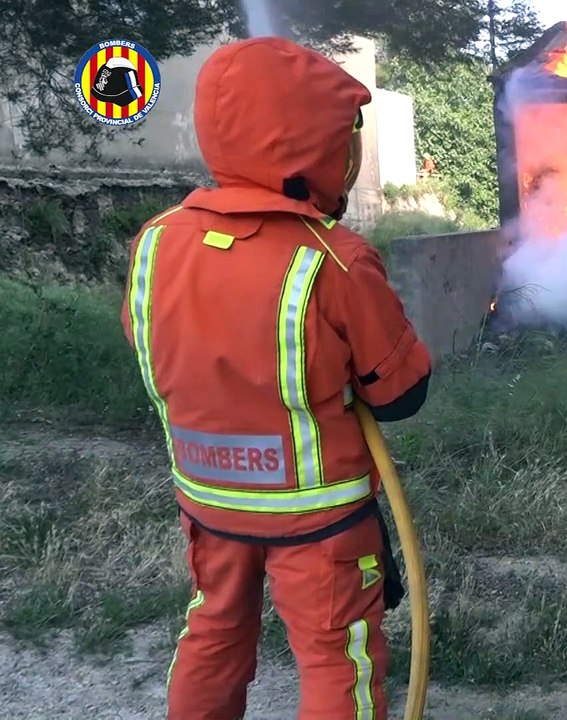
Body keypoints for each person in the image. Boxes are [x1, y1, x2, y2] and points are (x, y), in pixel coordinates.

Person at [119, 37, 432, 720]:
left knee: (213, 630)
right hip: (316, 514)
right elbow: (401, 394)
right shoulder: (334, 258)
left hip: (209, 499)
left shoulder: (156, 241)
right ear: (318, 145)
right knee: (333, 654)